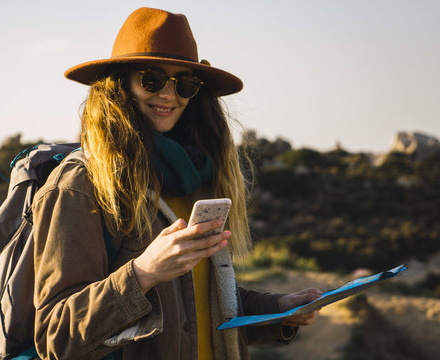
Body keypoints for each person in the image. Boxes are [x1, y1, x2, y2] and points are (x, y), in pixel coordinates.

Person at [32, 7, 321, 360]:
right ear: (120, 84)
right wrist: (142, 274)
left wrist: (279, 308)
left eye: (184, 83)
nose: (169, 95)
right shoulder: (81, 185)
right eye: (152, 79)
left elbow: (197, 299)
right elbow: (55, 335)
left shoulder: (196, 177)